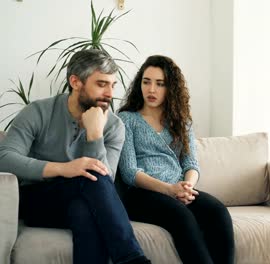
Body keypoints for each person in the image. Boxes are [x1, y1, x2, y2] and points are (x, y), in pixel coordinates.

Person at [0, 49, 151, 264]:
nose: (110, 93)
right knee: (88, 179)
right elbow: (4, 158)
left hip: (82, 201)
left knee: (84, 209)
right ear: (75, 81)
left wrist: (95, 135)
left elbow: (104, 180)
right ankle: (132, 259)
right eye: (101, 84)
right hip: (38, 200)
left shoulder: (114, 126)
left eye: (113, 85)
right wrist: (63, 168)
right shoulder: (38, 112)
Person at [118, 55, 235, 264]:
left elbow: (191, 164)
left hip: (178, 191)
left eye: (160, 84)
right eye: (146, 82)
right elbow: (129, 172)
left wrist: (186, 187)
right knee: (182, 217)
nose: (151, 89)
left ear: (170, 88)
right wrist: (169, 189)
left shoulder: (182, 122)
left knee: (217, 211)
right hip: (141, 194)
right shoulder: (127, 119)